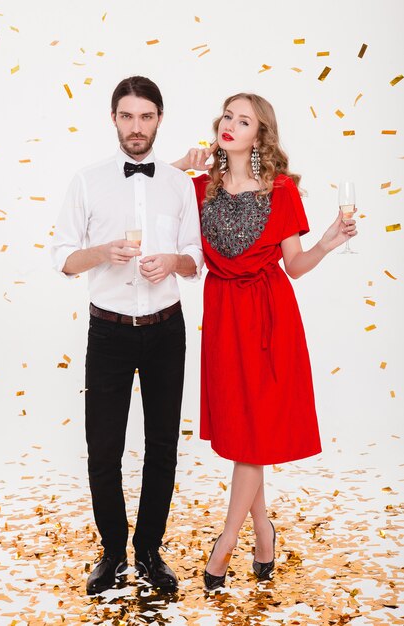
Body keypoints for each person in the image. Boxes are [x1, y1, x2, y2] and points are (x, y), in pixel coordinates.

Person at [173, 93, 357, 590]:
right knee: (241, 432)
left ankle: (225, 543)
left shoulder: (281, 190)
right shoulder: (196, 188)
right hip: (224, 318)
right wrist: (177, 163)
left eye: (244, 120)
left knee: (253, 439)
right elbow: (146, 196)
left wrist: (327, 241)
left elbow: (293, 266)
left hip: (270, 319)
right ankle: (262, 530)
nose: (230, 125)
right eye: (227, 116)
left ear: (260, 134)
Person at [51, 76, 203, 595]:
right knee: (103, 448)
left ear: (159, 119)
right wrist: (103, 251)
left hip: (166, 330)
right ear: (113, 119)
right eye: (126, 116)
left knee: (162, 446)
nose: (136, 127)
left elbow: (195, 260)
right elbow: (64, 259)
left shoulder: (179, 184)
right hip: (109, 332)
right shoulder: (88, 181)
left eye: (146, 117)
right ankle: (113, 552)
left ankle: (149, 552)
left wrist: (174, 262)